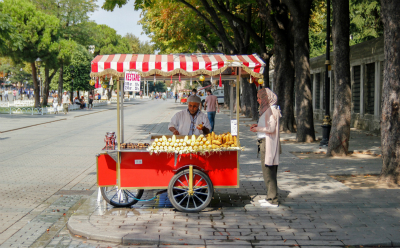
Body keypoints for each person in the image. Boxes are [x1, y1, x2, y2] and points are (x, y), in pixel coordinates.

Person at [250, 88, 281, 207]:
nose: (258, 100)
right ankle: (269, 196)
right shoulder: (267, 110)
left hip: (268, 143)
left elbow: (271, 129)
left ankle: (273, 199)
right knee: (266, 170)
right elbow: (267, 125)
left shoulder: (272, 110)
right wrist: (258, 126)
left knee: (269, 171)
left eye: (259, 98)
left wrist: (258, 129)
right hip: (264, 141)